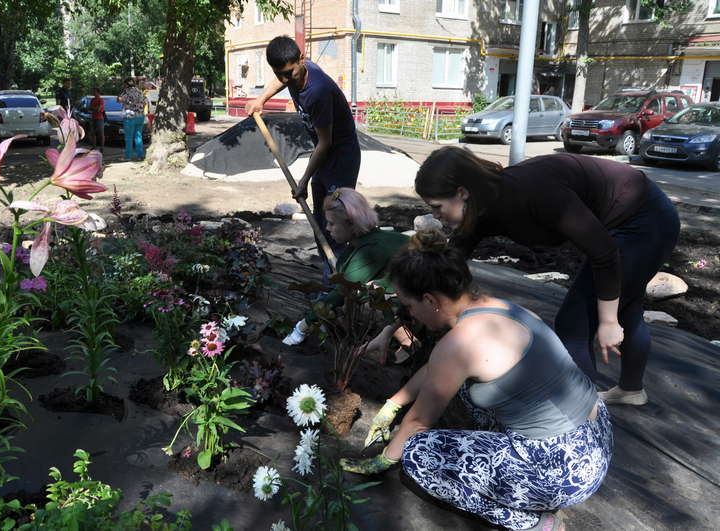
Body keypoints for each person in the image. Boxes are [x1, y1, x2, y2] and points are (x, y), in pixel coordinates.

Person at [340, 230, 612, 531]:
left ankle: (534, 522)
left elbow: (417, 422)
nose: (410, 314)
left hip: (562, 471)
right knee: (467, 389)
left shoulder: (459, 344)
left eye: (409, 305)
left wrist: (384, 459)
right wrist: (394, 402)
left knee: (417, 454)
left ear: (430, 300)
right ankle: (524, 480)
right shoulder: (499, 308)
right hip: (595, 438)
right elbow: (437, 369)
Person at [413, 147, 679, 406]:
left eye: (437, 206)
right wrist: (417, 293)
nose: (435, 215)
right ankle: (631, 390)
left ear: (462, 193)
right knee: (626, 305)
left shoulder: (534, 192)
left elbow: (605, 254)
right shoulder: (484, 205)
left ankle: (584, 419)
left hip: (644, 221)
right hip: (627, 220)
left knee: (574, 324)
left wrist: (608, 321)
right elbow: (455, 258)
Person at [245, 36, 361, 274]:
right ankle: (331, 278)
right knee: (320, 222)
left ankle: (343, 283)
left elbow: (325, 142)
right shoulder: (293, 73)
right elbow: (282, 80)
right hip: (324, 156)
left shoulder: (318, 91)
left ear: (302, 59)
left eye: (289, 73)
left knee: (338, 225)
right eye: (279, 74)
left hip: (341, 158)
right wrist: (260, 99)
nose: (285, 80)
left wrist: (303, 181)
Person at [282, 188, 409, 347]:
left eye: (332, 223)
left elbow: (340, 292)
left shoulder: (371, 249)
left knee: (366, 297)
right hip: (412, 296)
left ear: (351, 223)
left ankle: (408, 343)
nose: (327, 228)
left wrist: (301, 328)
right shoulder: (365, 241)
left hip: (423, 300)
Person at [117, 77, 147, 161]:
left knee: (129, 138)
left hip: (129, 117)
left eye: (124, 84)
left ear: (126, 84)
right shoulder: (139, 91)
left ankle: (128, 156)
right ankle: (140, 156)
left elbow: (119, 99)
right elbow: (145, 102)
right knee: (138, 136)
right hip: (140, 116)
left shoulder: (126, 92)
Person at [88, 87, 105, 153]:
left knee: (101, 133)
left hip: (100, 118)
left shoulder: (101, 100)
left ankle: (102, 147)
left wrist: (93, 109)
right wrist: (94, 108)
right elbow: (90, 108)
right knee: (93, 133)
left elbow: (99, 109)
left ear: (98, 92)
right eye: (93, 92)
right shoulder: (92, 100)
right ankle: (94, 147)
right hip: (93, 118)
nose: (93, 93)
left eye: (95, 92)